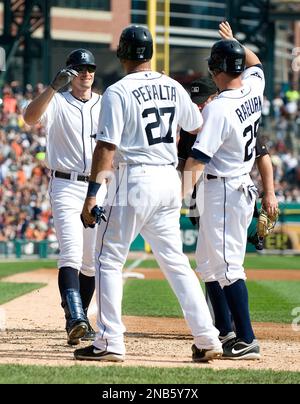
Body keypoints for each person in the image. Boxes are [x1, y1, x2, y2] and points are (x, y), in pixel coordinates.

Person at [74, 25, 223, 363]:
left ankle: (110, 341)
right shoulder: (172, 85)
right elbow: (195, 126)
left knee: (108, 260)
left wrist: (92, 194)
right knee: (176, 264)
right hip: (168, 180)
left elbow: (107, 146)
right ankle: (207, 337)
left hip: (135, 179)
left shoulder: (117, 90)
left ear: (122, 53)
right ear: (151, 53)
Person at [183, 21, 270, 360]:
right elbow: (257, 63)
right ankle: (227, 331)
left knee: (229, 267)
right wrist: (234, 42)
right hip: (233, 188)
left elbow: (197, 161)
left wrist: (171, 199)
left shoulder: (219, 107)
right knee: (207, 264)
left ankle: (247, 338)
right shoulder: (252, 88)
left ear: (215, 68)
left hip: (224, 190)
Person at [24, 49, 103, 346]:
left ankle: (77, 316)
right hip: (65, 185)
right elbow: (29, 118)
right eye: (80, 68)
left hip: (97, 186)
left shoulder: (104, 103)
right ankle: (75, 319)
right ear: (69, 72)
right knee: (70, 253)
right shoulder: (56, 101)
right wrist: (53, 87)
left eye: (90, 67)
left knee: (91, 261)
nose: (86, 72)